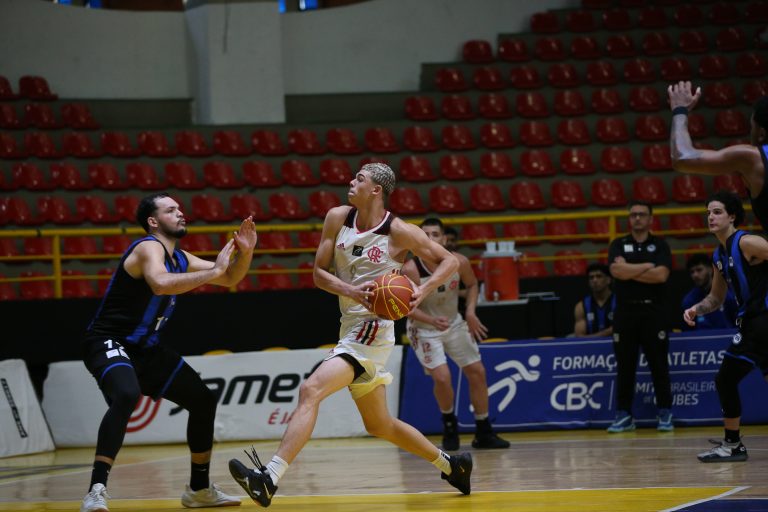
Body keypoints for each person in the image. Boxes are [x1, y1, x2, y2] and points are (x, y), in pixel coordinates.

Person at [228, 163, 471, 508]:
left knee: (311, 389)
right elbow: (318, 274)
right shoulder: (337, 218)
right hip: (350, 324)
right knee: (380, 425)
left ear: (376, 190)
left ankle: (269, 477)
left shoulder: (400, 231)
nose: (350, 182)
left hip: (373, 329)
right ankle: (453, 466)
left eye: (359, 179)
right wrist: (352, 291)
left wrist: (424, 288)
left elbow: (451, 262)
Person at [80, 193, 257, 512]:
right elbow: (160, 284)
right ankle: (96, 490)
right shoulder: (148, 247)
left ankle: (199, 490)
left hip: (146, 348)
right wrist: (215, 271)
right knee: (127, 394)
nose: (180, 213)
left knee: (203, 400)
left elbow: (231, 276)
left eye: (180, 208)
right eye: (171, 210)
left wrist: (246, 252)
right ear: (153, 221)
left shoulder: (181, 257)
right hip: (109, 340)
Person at [402, 217, 510, 452]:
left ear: (444, 239)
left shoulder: (458, 261)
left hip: (453, 323)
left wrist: (470, 312)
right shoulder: (411, 268)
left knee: (477, 371)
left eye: (435, 234)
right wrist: (431, 320)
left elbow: (472, 285)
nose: (430, 239)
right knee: (442, 378)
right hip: (424, 328)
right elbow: (405, 306)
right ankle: (449, 425)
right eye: (425, 234)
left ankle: (483, 431)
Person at [683, 191, 768, 462]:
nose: (711, 217)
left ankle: (732, 445)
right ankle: (732, 444)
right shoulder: (718, 254)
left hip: (760, 321)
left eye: (717, 212)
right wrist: (696, 309)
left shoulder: (747, 242)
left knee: (725, 379)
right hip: (754, 323)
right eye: (708, 212)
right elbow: (716, 298)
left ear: (732, 216)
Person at [606, 201, 674, 433]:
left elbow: (661, 276)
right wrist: (646, 266)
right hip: (625, 312)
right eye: (633, 214)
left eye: (642, 214)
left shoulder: (660, 245)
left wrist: (629, 270)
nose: (637, 218)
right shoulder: (618, 244)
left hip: (653, 312)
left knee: (658, 364)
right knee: (625, 366)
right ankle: (624, 414)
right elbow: (616, 272)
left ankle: (665, 411)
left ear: (650, 219)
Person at [668, 82, 768, 228]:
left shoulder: (753, 158)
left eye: (752, 127)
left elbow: (682, 158)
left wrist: (679, 110)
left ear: (761, 134)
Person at [681, 254, 738, 331]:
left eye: (699, 270)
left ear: (711, 269)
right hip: (701, 338)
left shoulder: (728, 295)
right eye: (692, 272)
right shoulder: (689, 300)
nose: (695, 275)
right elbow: (688, 332)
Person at [573, 263, 616, 338]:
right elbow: (579, 337)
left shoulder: (619, 302)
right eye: (591, 277)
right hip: (590, 345)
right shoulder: (581, 306)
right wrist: (608, 332)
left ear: (608, 280)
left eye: (599, 276)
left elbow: (624, 329)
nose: (594, 280)